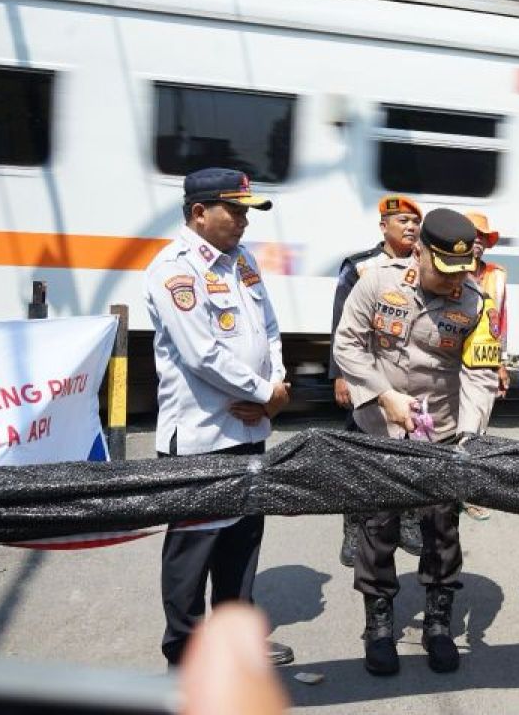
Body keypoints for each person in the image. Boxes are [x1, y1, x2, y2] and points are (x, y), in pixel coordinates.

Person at [333, 207, 502, 676]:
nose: (453, 281)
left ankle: (439, 622)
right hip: (381, 430)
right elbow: (347, 343)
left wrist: (469, 436)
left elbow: (479, 373)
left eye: (461, 271)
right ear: (421, 251)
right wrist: (383, 395)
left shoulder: (473, 300)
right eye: (443, 269)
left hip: (442, 432)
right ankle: (379, 625)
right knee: (378, 527)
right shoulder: (376, 281)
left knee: (441, 529)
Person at [143, 167, 293, 667]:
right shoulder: (173, 269)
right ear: (200, 213)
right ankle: (184, 657)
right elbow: (201, 354)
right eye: (236, 210)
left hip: (249, 429)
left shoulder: (241, 260)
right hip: (202, 438)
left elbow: (269, 327)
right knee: (194, 549)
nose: (245, 221)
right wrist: (265, 392)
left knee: (242, 543)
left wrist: (275, 384)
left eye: (248, 210)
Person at [330, 195, 424, 567]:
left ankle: (409, 521)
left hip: (411, 377)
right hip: (366, 375)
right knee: (359, 458)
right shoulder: (361, 267)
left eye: (415, 222)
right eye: (402, 221)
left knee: (413, 453)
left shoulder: (426, 265)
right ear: (383, 225)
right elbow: (340, 323)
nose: (411, 228)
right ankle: (354, 527)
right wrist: (340, 376)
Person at [456, 211, 511, 521]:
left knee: (477, 431)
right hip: (451, 365)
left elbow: (500, 322)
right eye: (472, 235)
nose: (477, 242)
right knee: (450, 429)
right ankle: (449, 491)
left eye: (482, 237)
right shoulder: (448, 270)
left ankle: (470, 492)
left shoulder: (498, 275)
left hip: (484, 364)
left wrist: (501, 364)